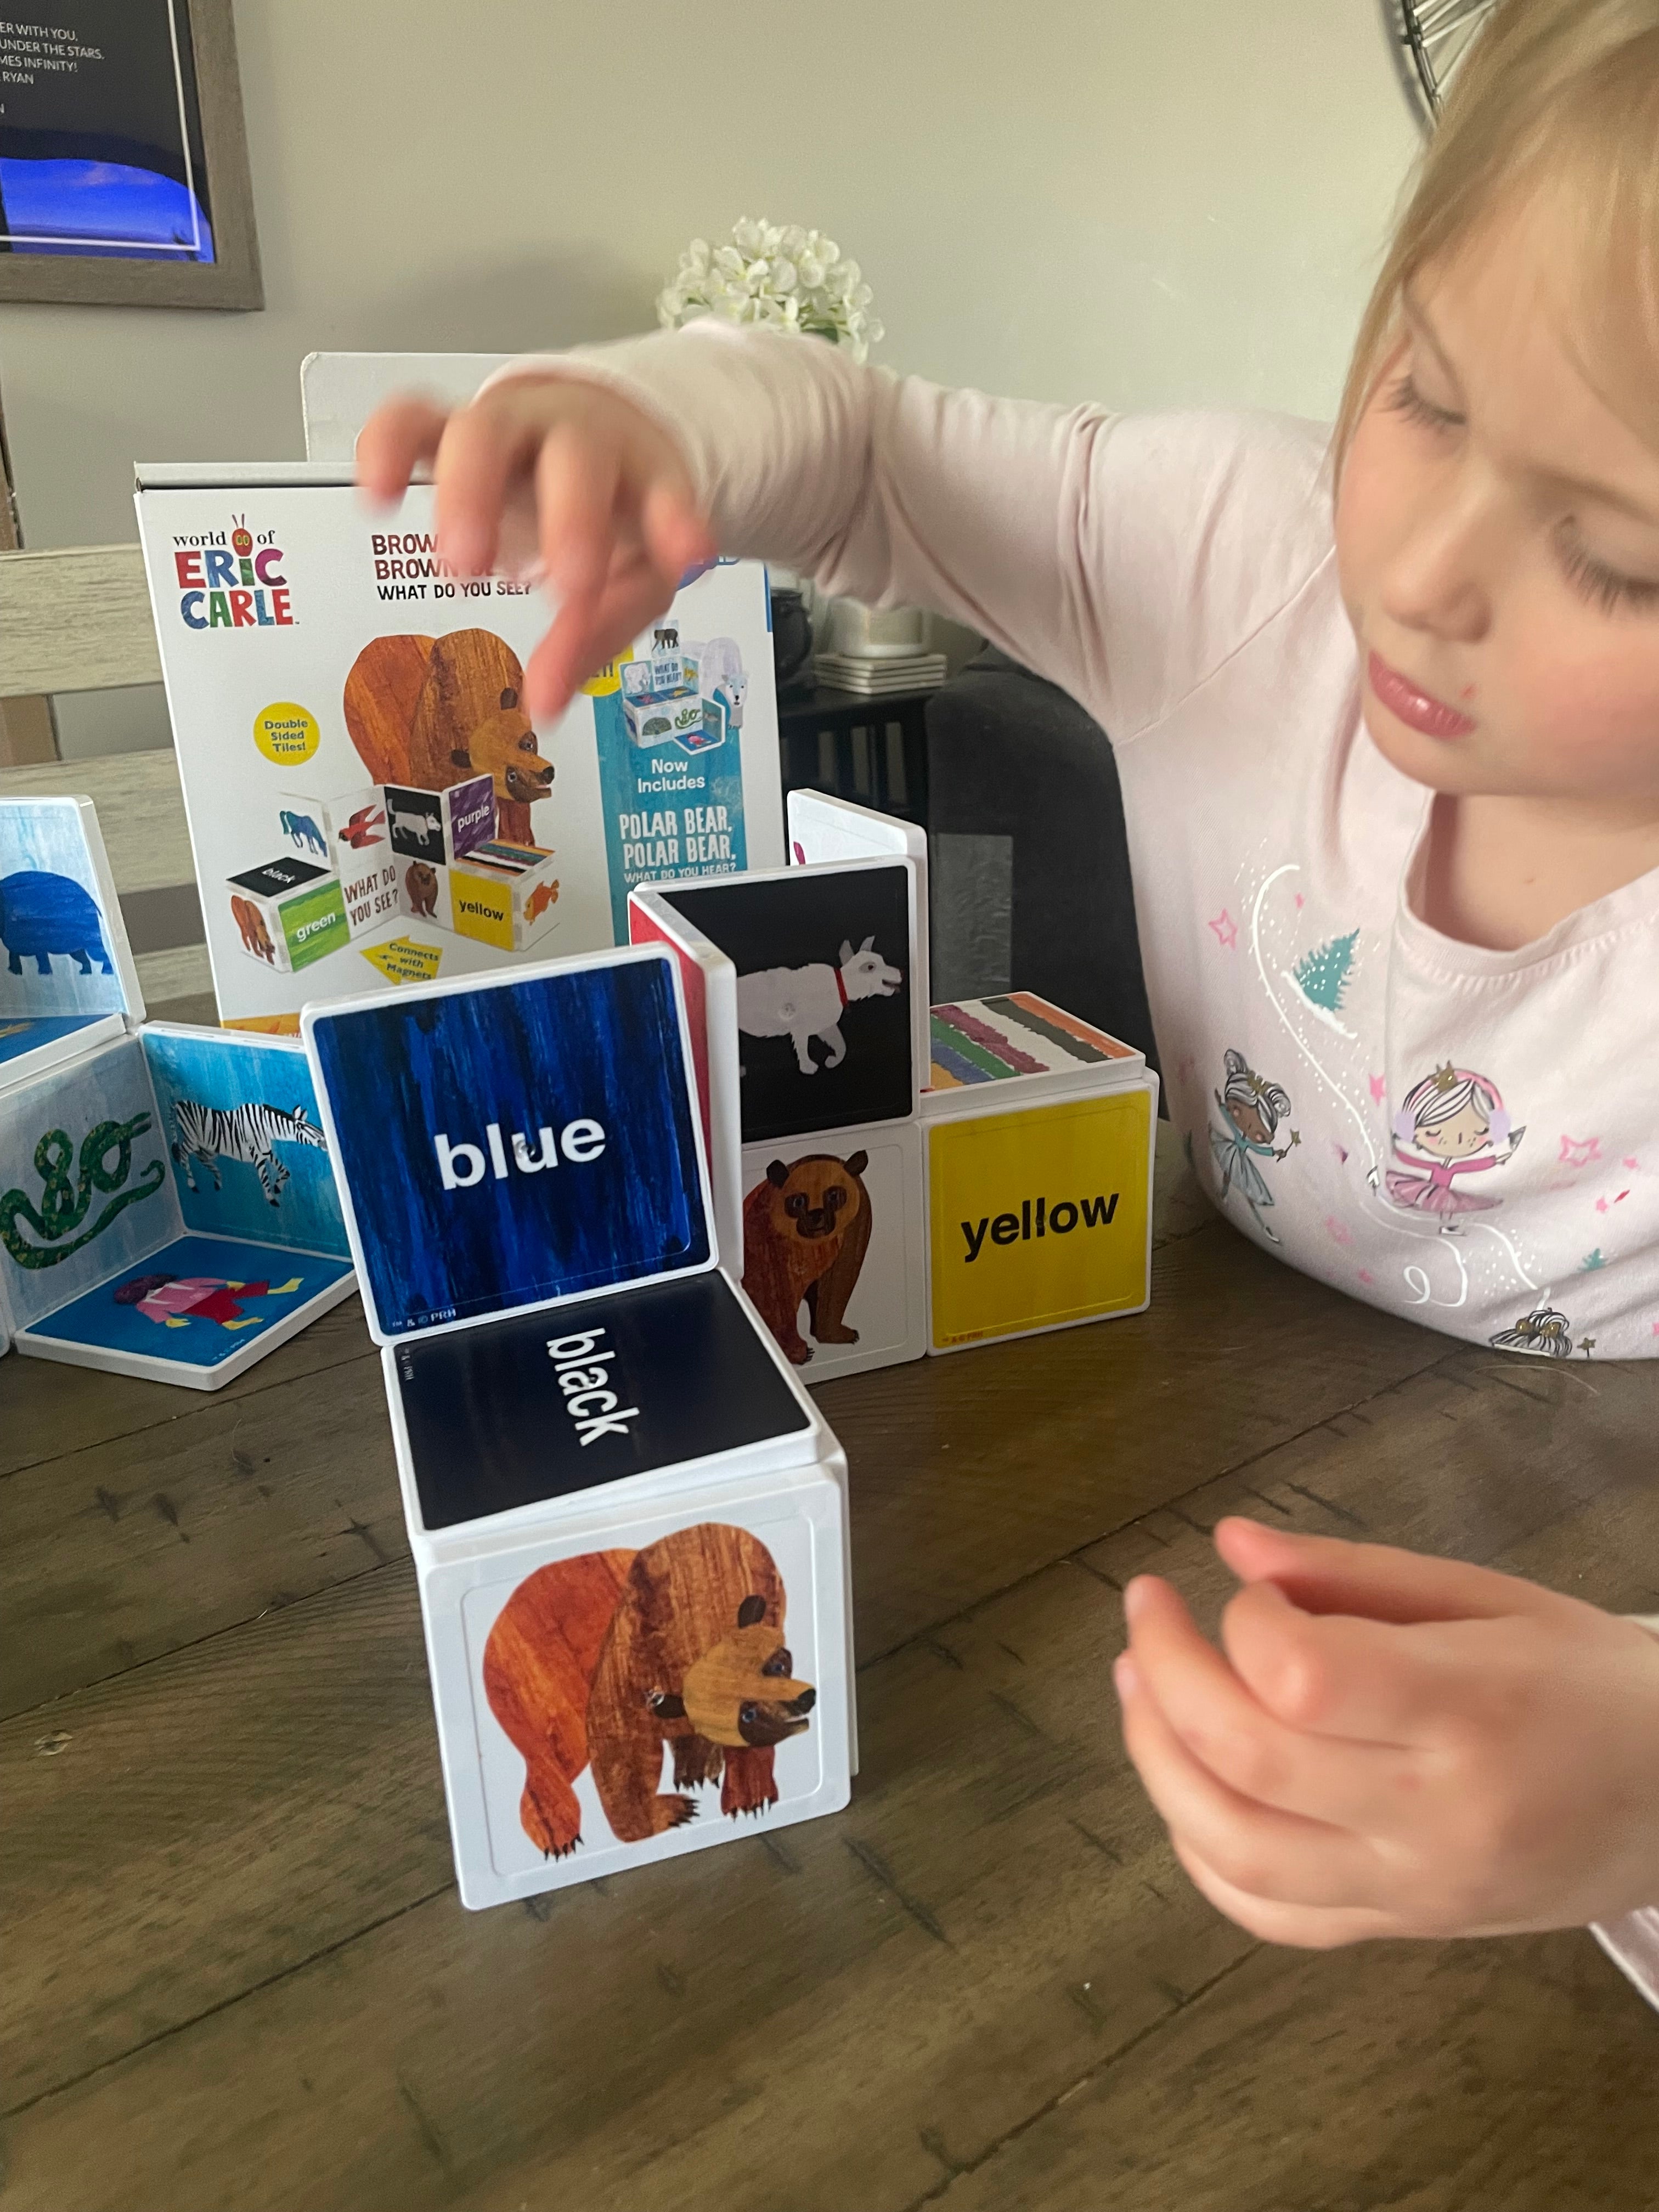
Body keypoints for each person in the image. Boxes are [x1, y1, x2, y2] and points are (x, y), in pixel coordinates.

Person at [357, 0, 1659, 1985]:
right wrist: (664, 424)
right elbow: (870, 447)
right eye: (1428, 392)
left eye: (1619, 560)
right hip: (1129, 1501)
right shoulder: (1248, 563)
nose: (1429, 575)